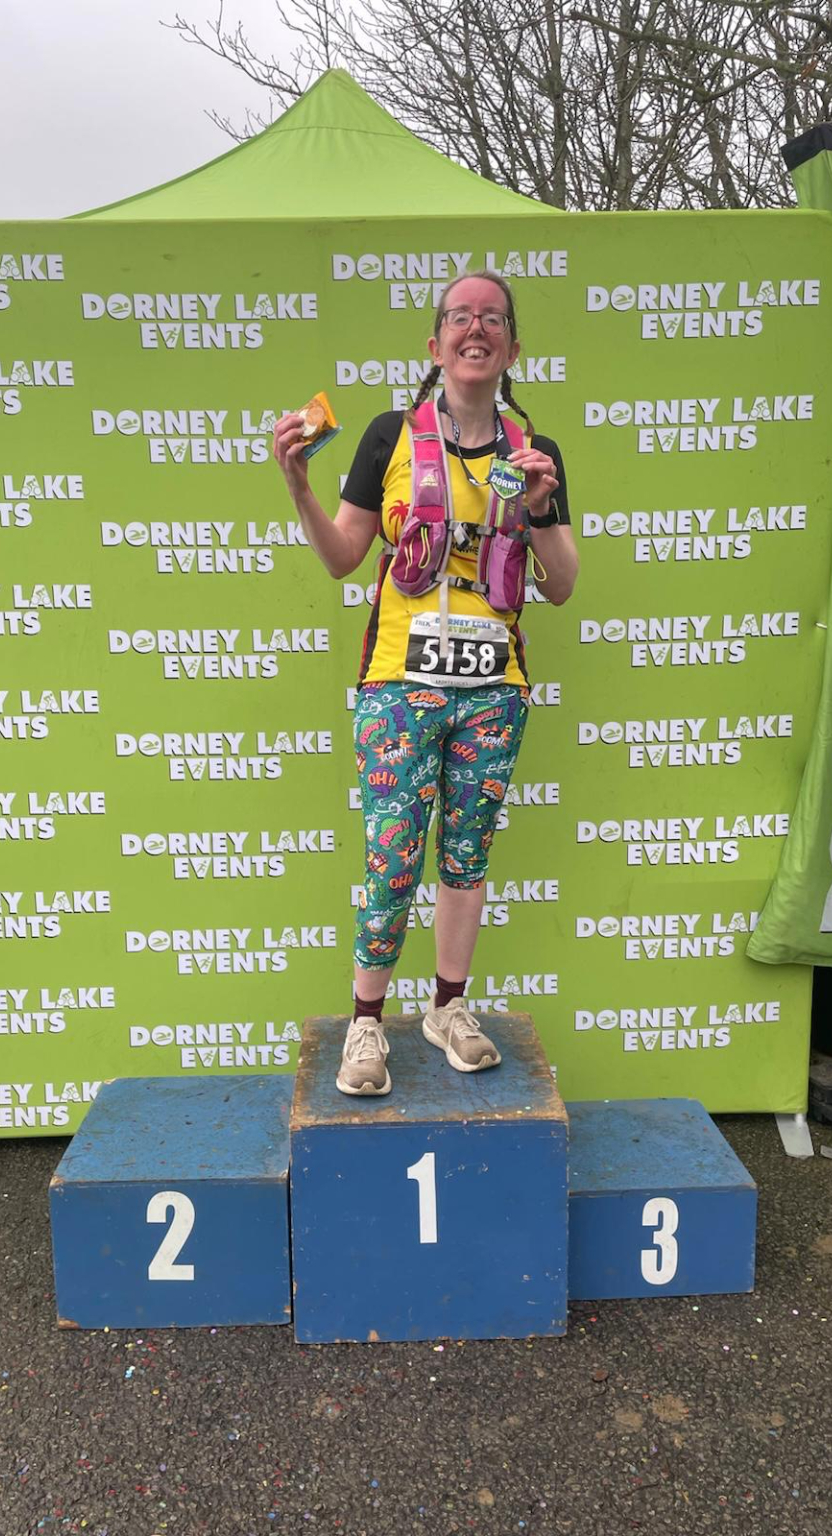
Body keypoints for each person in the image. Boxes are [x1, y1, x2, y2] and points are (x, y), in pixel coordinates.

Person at [273, 271, 578, 1095]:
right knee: (392, 856)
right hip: (399, 682)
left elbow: (561, 584)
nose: (476, 329)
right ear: (435, 343)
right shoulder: (389, 436)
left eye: (493, 319)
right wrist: (298, 486)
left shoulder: (535, 453)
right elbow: (343, 557)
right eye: (460, 317)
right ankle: (366, 1021)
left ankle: (448, 1008)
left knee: (466, 856)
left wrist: (540, 509)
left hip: (494, 687)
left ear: (513, 348)